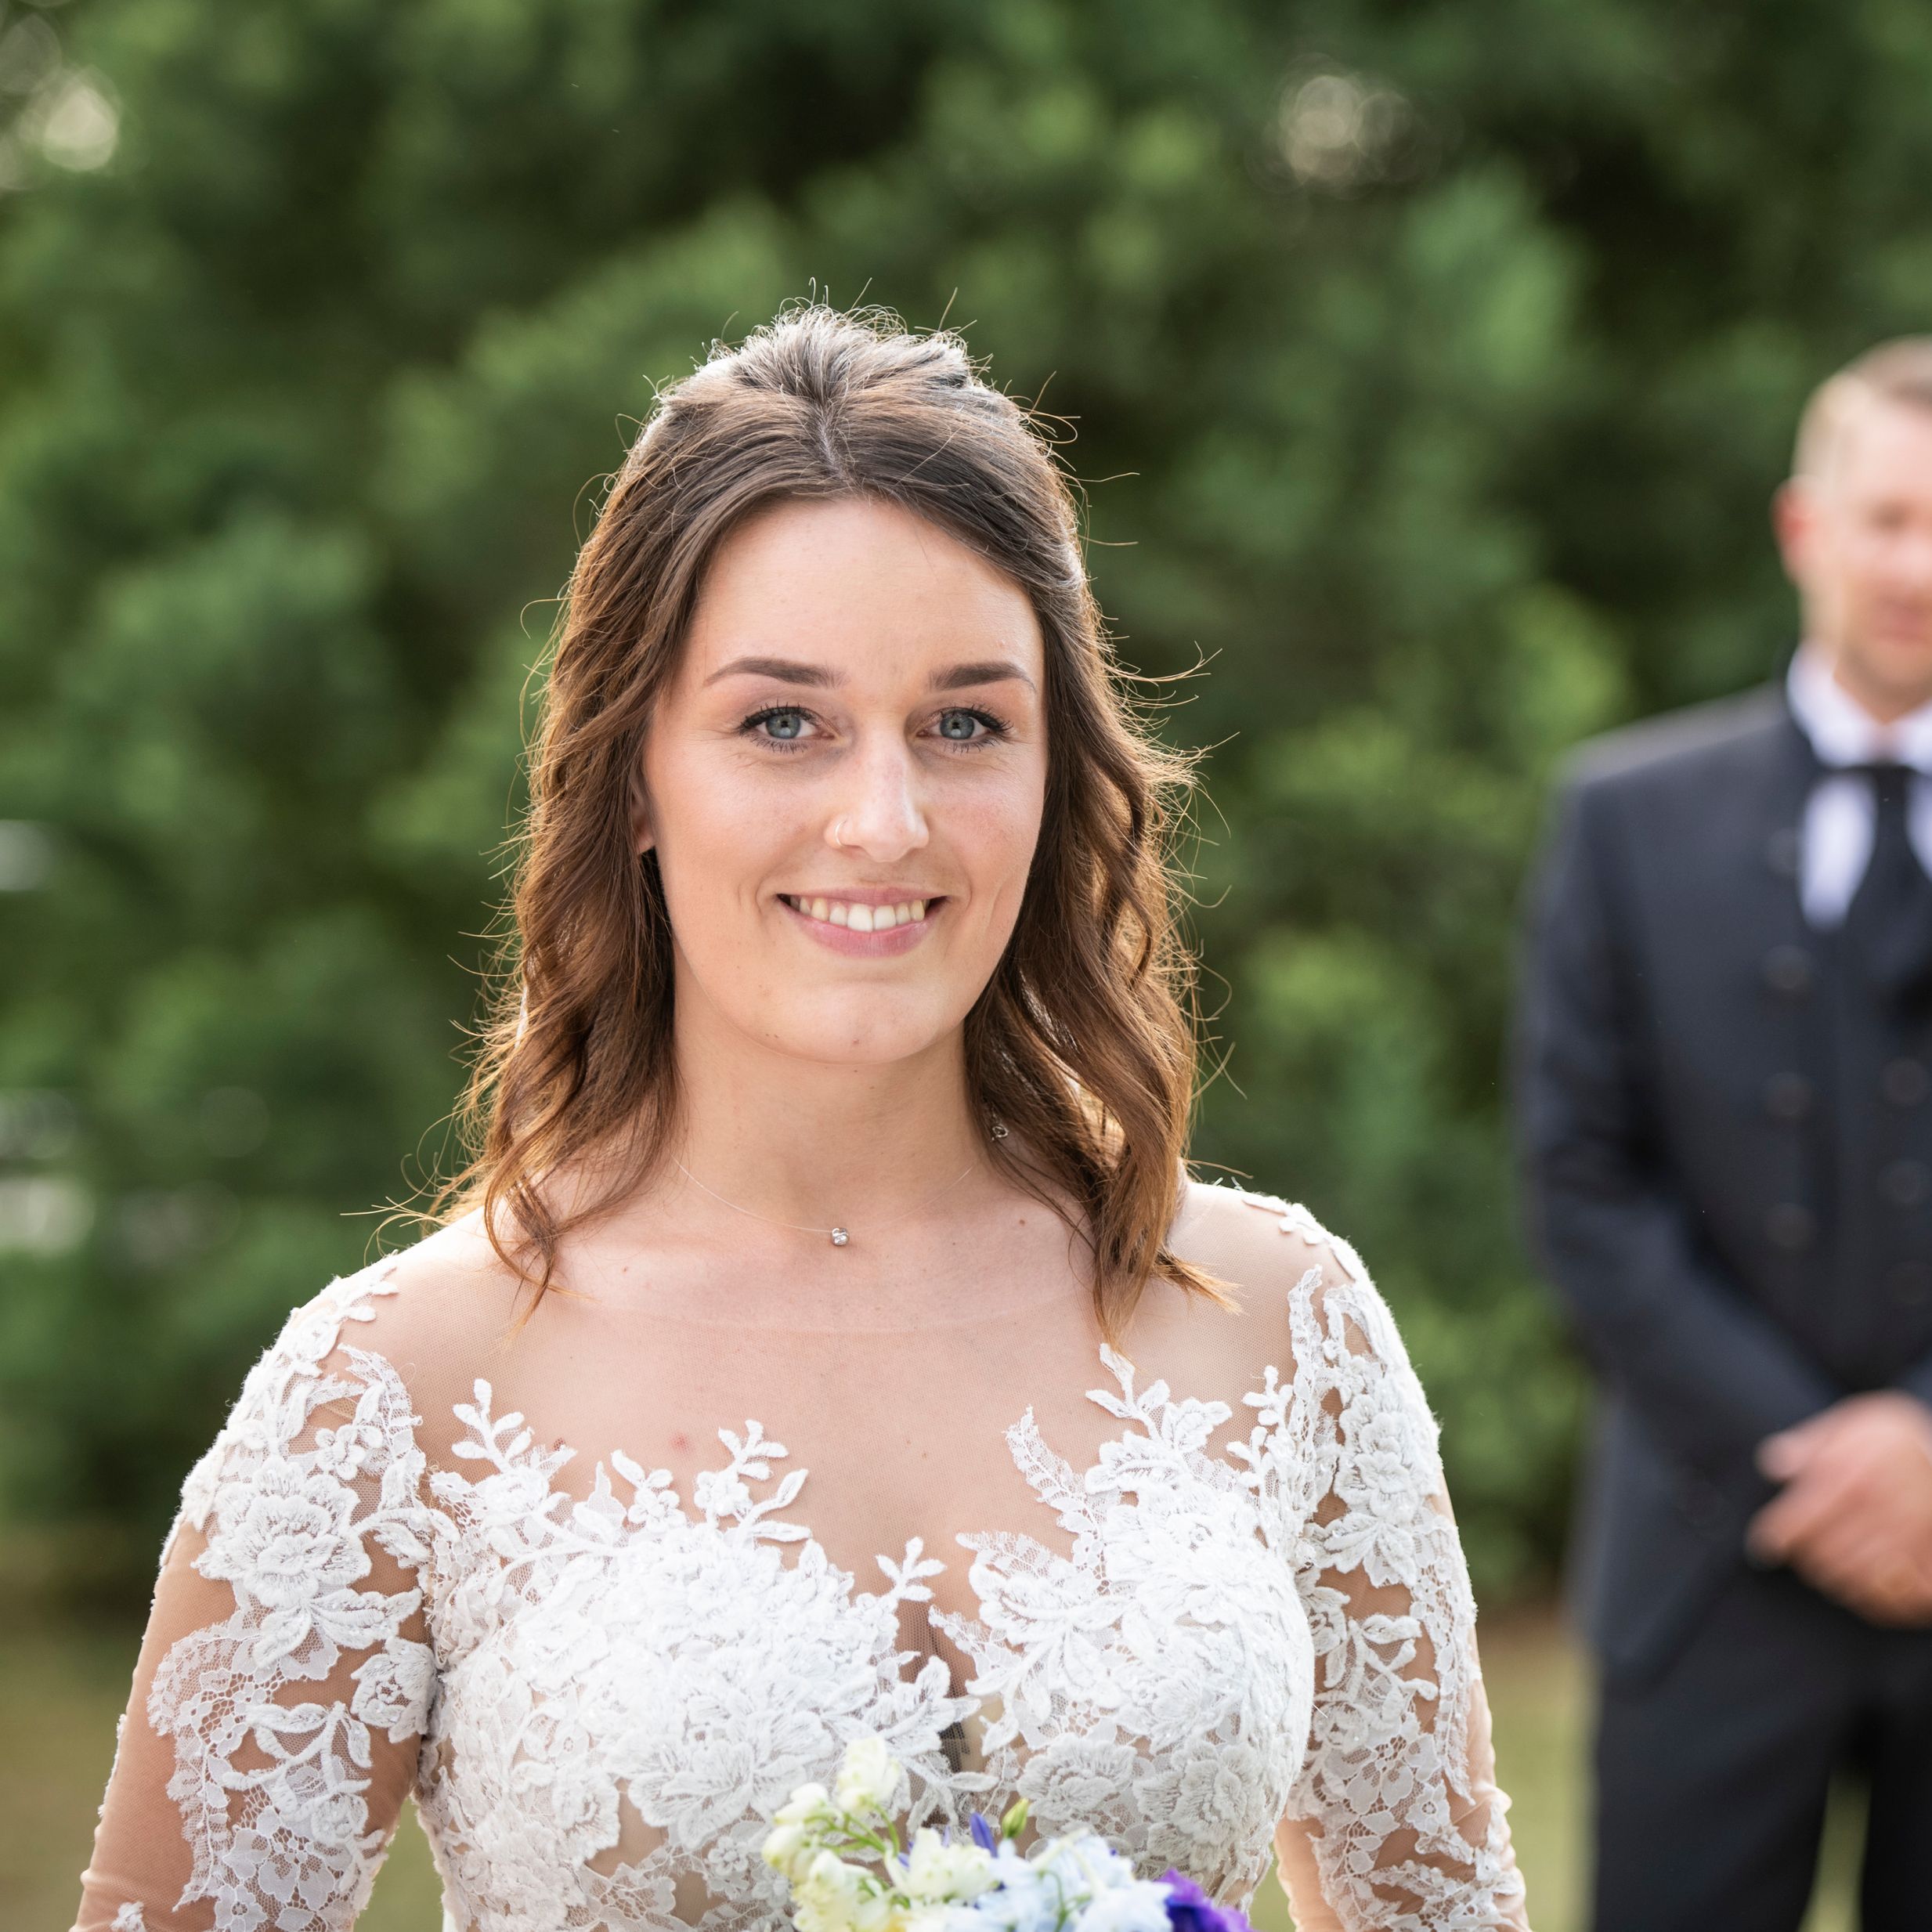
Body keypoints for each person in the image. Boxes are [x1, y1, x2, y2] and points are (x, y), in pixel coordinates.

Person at [72, 308, 1525, 1932]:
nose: (883, 818)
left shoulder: (1279, 1323)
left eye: (966, 722)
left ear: (1058, 775)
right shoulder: (392, 1392)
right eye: (783, 722)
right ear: (631, 775)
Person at [1517, 338, 1932, 1931]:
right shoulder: (1622, 815)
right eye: (1886, 515)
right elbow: (1580, 1178)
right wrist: (1824, 1460)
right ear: (1801, 530)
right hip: (1704, 1558)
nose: (1917, 562)